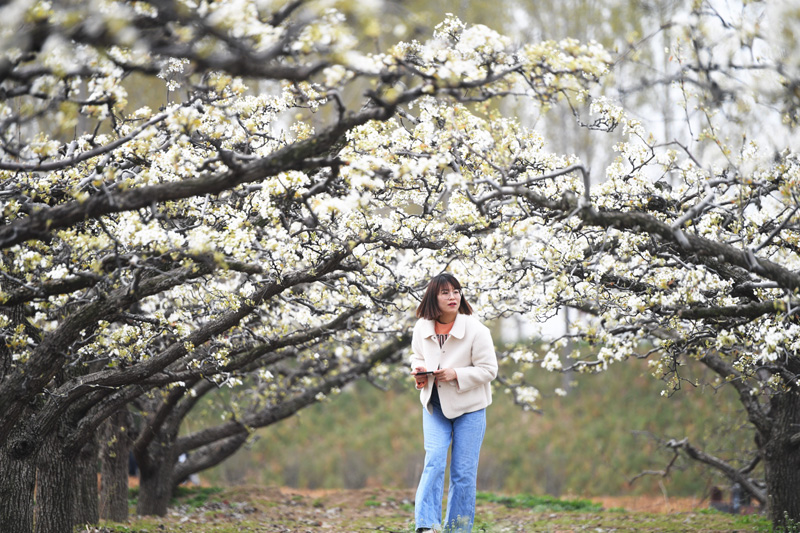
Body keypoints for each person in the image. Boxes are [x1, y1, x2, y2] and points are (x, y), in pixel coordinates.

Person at [410, 273, 498, 532]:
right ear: (433, 298)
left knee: (463, 473)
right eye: (445, 292)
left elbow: (489, 369)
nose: (453, 297)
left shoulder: (477, 330)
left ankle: (458, 528)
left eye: (456, 291)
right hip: (434, 406)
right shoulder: (421, 327)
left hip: (470, 409)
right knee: (434, 460)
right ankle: (427, 525)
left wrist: (456, 374)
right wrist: (419, 372)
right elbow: (416, 356)